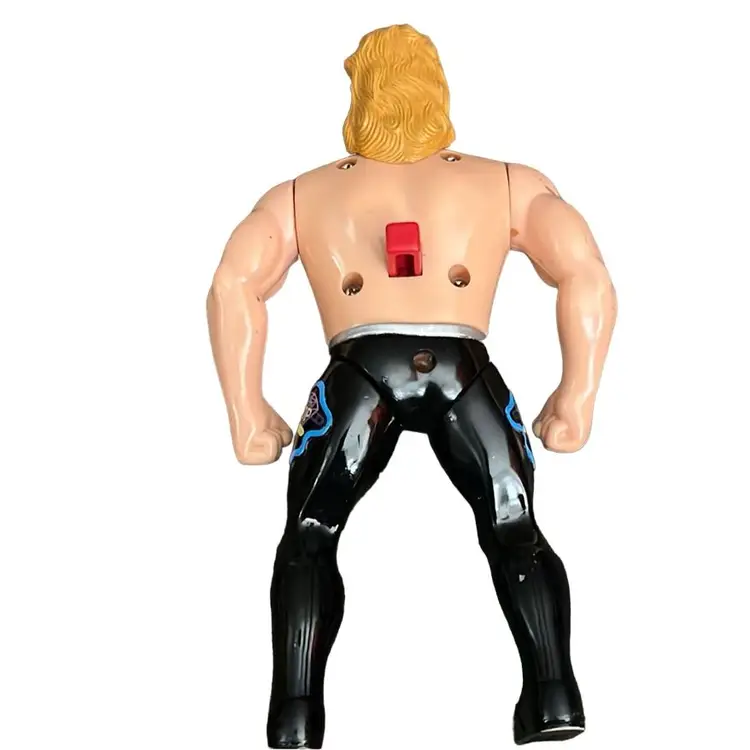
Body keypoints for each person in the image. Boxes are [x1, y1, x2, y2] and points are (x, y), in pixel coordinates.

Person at [207, 23, 617, 748]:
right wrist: (576, 393)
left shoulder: (303, 195)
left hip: (359, 369)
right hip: (463, 367)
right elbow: (585, 271)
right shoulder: (506, 182)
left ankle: (295, 713)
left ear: (360, 92)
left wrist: (248, 410)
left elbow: (234, 285)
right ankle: (553, 694)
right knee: (513, 527)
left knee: (309, 534)